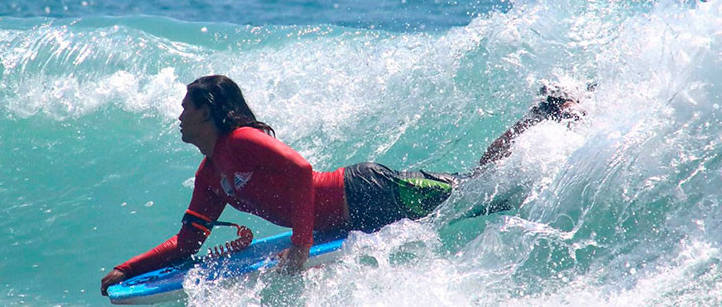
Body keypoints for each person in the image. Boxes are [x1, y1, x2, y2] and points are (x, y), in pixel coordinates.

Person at [101, 75, 580, 296]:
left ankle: (547, 116)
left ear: (207, 111)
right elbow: (189, 242)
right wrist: (127, 268)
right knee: (481, 193)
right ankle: (544, 122)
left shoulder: (241, 140)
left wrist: (301, 247)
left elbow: (301, 172)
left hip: (370, 191)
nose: (179, 117)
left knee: (483, 190)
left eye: (186, 108)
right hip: (356, 214)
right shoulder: (211, 176)